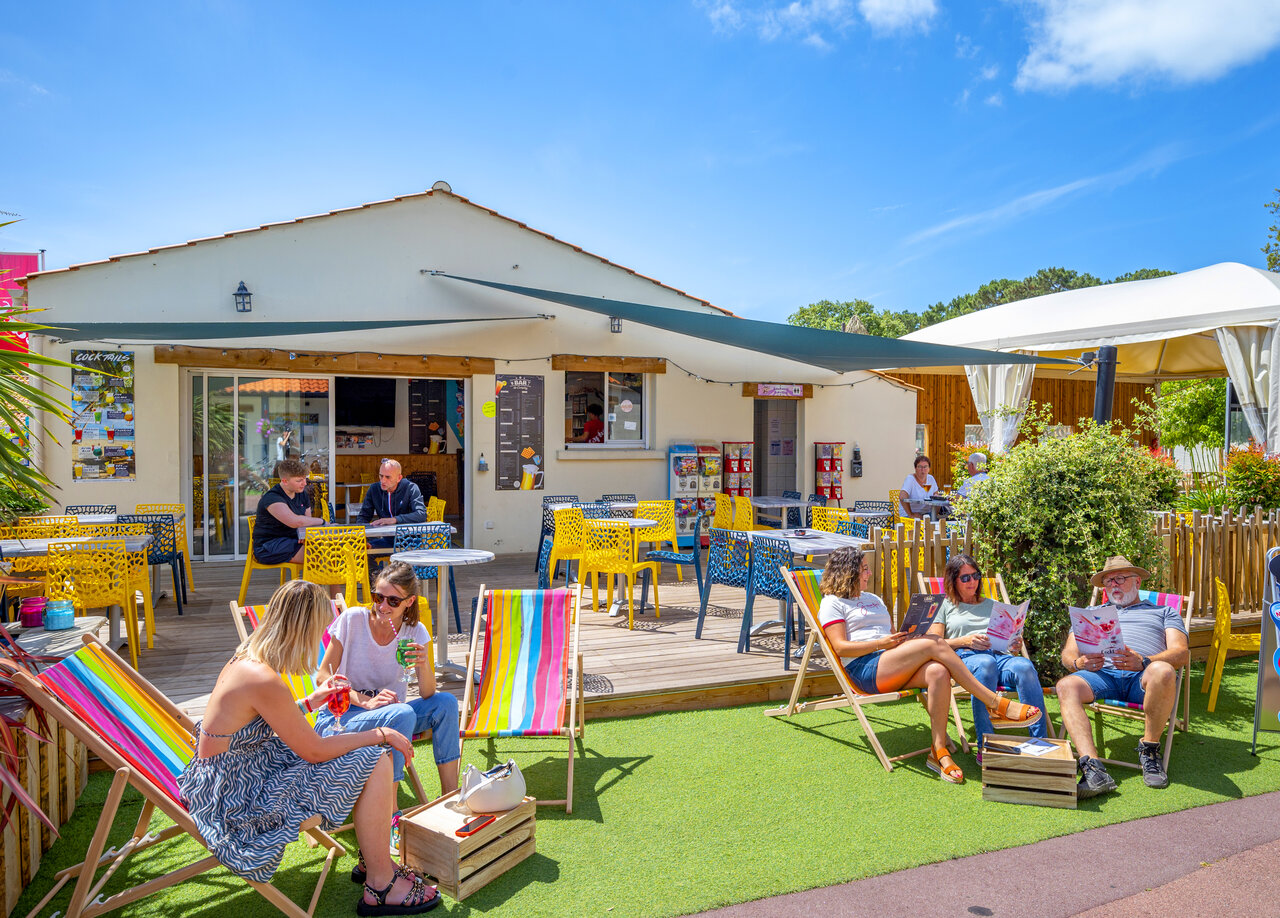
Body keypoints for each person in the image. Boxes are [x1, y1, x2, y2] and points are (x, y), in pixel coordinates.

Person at [177, 579, 439, 914]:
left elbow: (256, 719)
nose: (320, 638)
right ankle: (380, 883)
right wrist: (379, 733)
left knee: (371, 756)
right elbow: (314, 750)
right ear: (302, 628)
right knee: (374, 757)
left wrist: (309, 703)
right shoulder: (262, 678)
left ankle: (375, 863)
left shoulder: (245, 660)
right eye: (318, 629)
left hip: (239, 769)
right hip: (237, 795)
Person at [817, 547, 1042, 784]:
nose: (869, 573)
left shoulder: (873, 599)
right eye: (864, 569)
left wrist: (905, 639)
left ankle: (938, 750)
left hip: (890, 662)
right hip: (865, 668)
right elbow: (840, 648)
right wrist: (881, 644)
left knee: (938, 671)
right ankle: (995, 703)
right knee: (934, 641)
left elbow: (891, 637)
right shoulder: (832, 603)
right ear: (848, 572)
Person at [317, 561, 461, 798]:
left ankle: (451, 795)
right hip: (341, 718)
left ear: (409, 602)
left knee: (446, 703)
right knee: (402, 713)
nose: (383, 606)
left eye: (393, 601)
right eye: (378, 597)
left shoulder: (415, 632)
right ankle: (389, 807)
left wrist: (423, 664)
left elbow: (427, 693)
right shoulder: (353, 620)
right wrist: (366, 701)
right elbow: (323, 676)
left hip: (393, 716)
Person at [1055, 555, 1189, 798]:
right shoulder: (1091, 614)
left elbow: (1181, 653)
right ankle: (1094, 770)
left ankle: (1149, 749)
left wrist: (1144, 661)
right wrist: (1078, 663)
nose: (1113, 585)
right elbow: (1068, 654)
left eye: (1120, 578)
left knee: (1163, 670)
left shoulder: (1163, 611)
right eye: (1108, 581)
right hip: (1102, 675)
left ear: (1137, 581)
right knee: (1066, 686)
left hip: (1143, 677)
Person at [927, 553, 1048, 751]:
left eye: (976, 576)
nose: (972, 581)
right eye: (965, 578)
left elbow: (1007, 641)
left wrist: (1013, 644)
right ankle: (986, 745)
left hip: (999, 656)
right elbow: (933, 643)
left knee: (1024, 666)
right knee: (985, 663)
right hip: (966, 659)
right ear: (953, 580)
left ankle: (1041, 742)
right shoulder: (944, 605)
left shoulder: (993, 605)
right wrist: (965, 640)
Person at [253, 458, 325, 565]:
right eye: (299, 481)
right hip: (269, 546)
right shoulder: (272, 498)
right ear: (285, 481)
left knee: (327, 548)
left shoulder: (302, 494)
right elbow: (295, 522)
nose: (304, 483)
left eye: (305, 479)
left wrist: (303, 534)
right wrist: (323, 522)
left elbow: (307, 521)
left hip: (292, 539)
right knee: (318, 555)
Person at [355, 459, 427, 549]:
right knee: (363, 550)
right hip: (387, 540)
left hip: (411, 540)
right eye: (381, 476)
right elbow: (363, 517)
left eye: (388, 477)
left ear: (399, 478)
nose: (383, 481)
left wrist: (395, 519)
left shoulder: (410, 488)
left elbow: (421, 514)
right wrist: (364, 538)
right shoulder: (374, 489)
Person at [900, 455, 939, 519]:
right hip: (910, 514)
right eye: (920, 467)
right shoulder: (910, 479)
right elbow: (902, 497)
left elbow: (936, 496)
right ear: (915, 468)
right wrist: (911, 514)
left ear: (929, 468)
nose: (923, 470)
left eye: (925, 467)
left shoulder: (930, 479)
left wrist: (933, 516)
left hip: (927, 514)